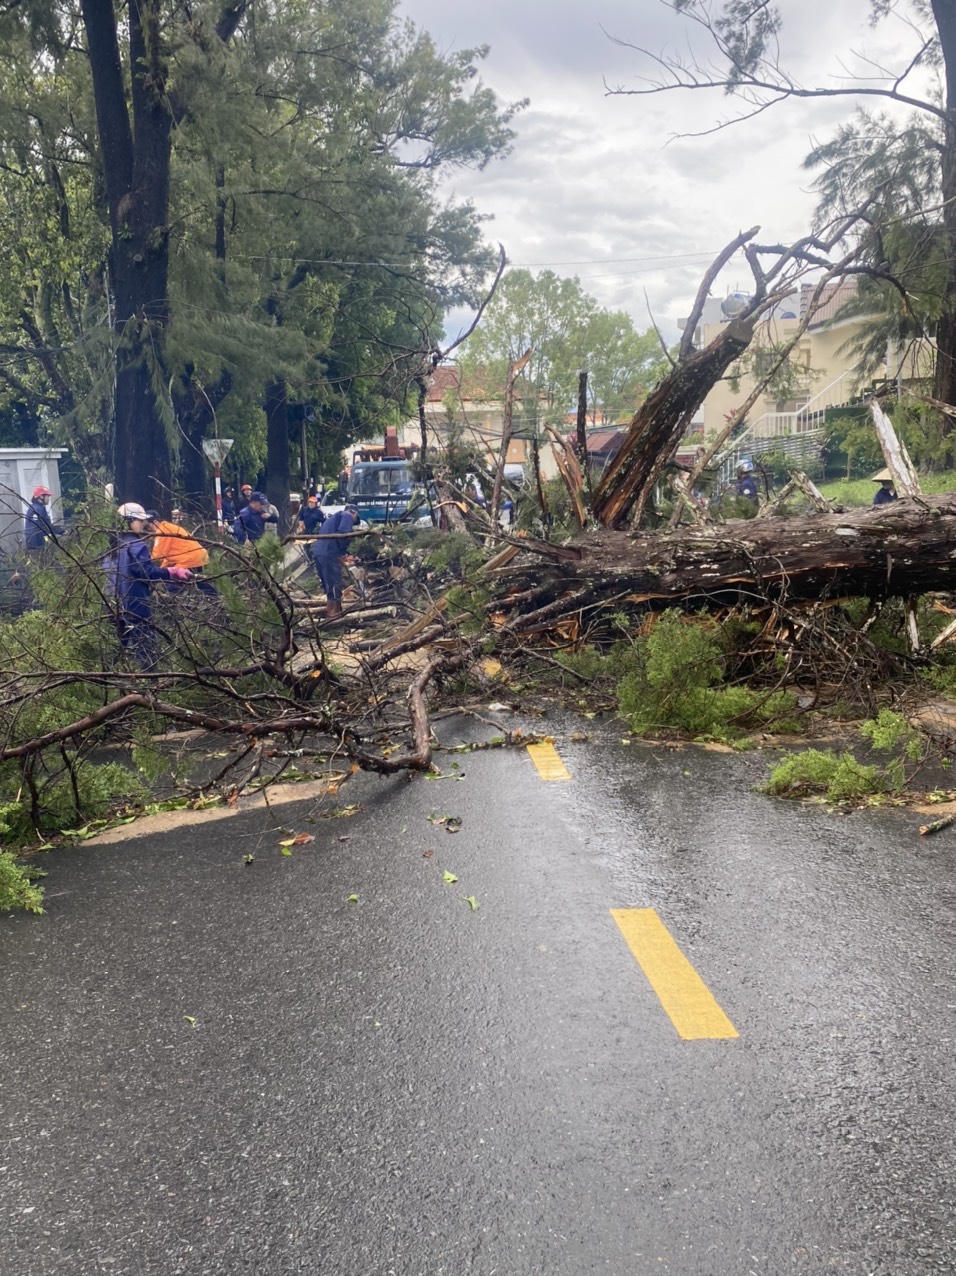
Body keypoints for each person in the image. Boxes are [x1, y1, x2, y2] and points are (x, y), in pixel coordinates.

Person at [112, 502, 191, 667]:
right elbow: (146, 572)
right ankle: (151, 682)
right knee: (145, 644)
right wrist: (171, 572)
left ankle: (112, 678)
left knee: (117, 645)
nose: (143, 525)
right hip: (136, 601)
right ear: (129, 520)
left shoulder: (115, 545)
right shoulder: (136, 545)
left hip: (116, 600)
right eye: (140, 521)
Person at [312, 503, 359, 619]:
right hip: (329, 553)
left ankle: (331, 611)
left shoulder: (332, 519)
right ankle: (334, 615)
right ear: (355, 514)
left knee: (328, 584)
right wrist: (343, 553)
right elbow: (343, 534)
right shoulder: (348, 515)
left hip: (319, 552)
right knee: (334, 583)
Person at [23, 486, 64, 551]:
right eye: (47, 496)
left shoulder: (35, 507)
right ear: (41, 497)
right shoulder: (38, 509)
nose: (48, 499)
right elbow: (46, 526)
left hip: (34, 542)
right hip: (37, 543)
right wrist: (61, 531)